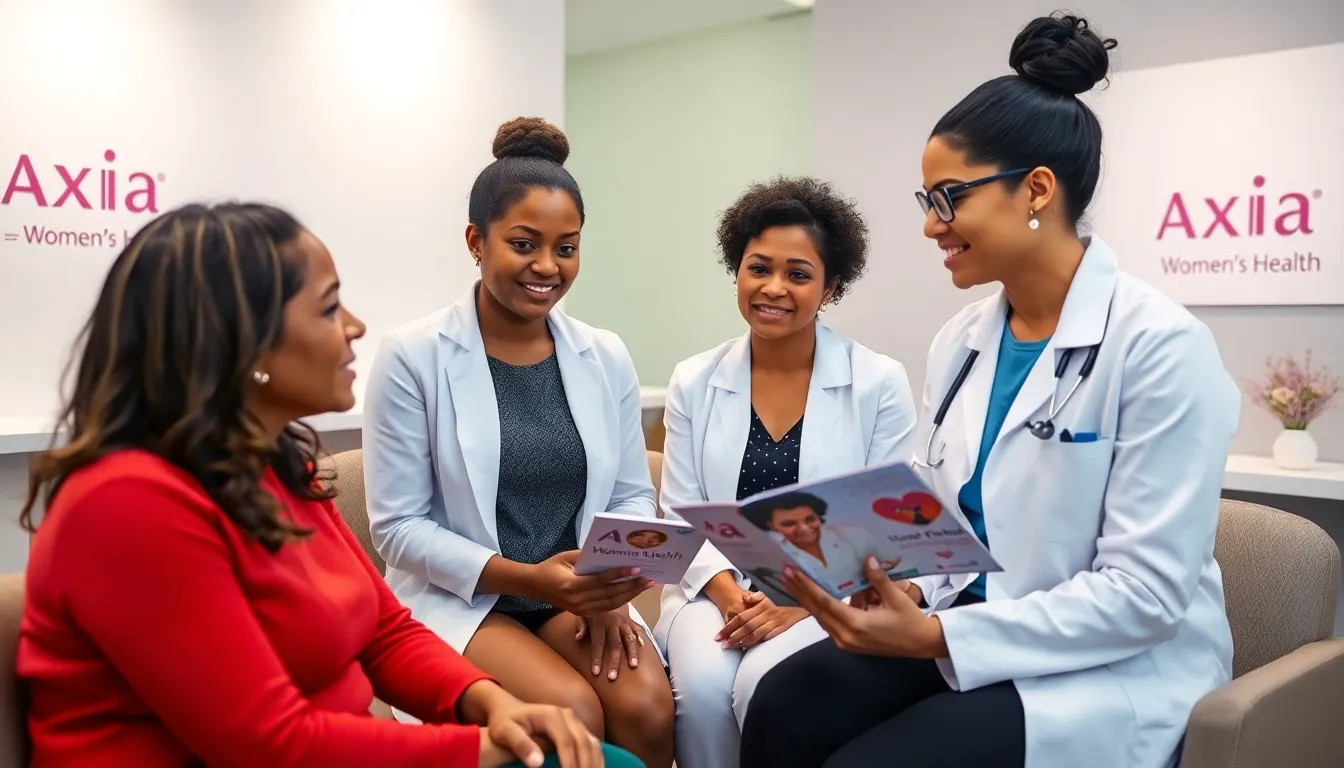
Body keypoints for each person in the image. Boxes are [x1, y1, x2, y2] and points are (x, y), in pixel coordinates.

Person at [740, 13, 1239, 768]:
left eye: (949, 198)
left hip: (1103, 670)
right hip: (963, 629)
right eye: (927, 202)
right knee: (784, 704)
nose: (932, 227)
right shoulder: (963, 342)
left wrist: (941, 636)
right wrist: (894, 589)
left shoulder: (1162, 347)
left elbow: (1143, 597)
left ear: (1036, 189)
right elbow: (939, 520)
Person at [17, 202, 642, 768]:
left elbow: (384, 629)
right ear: (241, 341)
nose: (356, 326)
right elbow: (266, 744)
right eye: (327, 307)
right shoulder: (127, 505)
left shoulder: (274, 468)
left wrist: (485, 702)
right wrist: (480, 747)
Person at [362, 118, 675, 768]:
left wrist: (608, 585)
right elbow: (397, 527)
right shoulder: (412, 356)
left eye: (567, 248)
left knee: (647, 703)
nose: (547, 267)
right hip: (463, 598)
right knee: (572, 714)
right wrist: (531, 580)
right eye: (524, 244)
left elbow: (629, 495)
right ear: (476, 241)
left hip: (572, 595)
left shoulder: (603, 354)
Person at [654, 177, 918, 768]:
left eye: (798, 274)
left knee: (764, 689)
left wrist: (804, 603)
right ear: (737, 271)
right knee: (699, 694)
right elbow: (680, 513)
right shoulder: (694, 379)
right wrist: (728, 597)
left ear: (831, 287)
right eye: (758, 268)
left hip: (834, 595)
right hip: (717, 589)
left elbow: (885, 522)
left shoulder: (877, 382)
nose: (773, 288)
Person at [739, 491, 897, 584]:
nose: (804, 528)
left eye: (810, 519)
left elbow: (895, 565)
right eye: (789, 523)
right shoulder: (770, 556)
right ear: (771, 526)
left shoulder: (855, 536)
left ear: (819, 516)